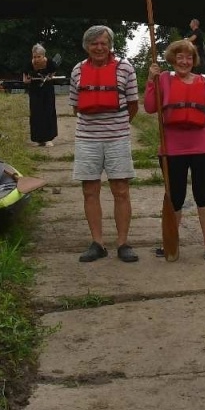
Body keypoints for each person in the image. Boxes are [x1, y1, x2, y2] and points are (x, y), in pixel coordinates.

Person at [143, 39, 205, 259]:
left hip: (204, 148)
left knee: (204, 195)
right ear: (172, 59)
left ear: (194, 60)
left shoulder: (204, 83)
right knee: (175, 197)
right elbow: (150, 107)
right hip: (172, 149)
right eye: (180, 57)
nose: (184, 61)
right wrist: (150, 80)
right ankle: (170, 242)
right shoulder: (162, 80)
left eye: (189, 57)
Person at [69, 25, 140, 263]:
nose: (99, 47)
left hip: (117, 139)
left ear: (110, 45)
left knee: (121, 190)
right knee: (90, 191)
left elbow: (133, 105)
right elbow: (75, 106)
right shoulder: (77, 70)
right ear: (87, 46)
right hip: (87, 139)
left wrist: (117, 127)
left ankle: (123, 243)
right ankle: (97, 243)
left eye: (103, 43)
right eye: (94, 43)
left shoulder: (126, 68)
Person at [24, 43, 59, 146]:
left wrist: (50, 77)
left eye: (38, 57)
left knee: (48, 112)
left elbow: (53, 72)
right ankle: (39, 139)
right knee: (36, 113)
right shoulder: (29, 64)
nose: (36, 59)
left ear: (43, 56)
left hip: (47, 90)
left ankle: (49, 138)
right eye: (34, 57)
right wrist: (28, 80)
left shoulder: (50, 62)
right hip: (35, 90)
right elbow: (25, 79)